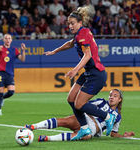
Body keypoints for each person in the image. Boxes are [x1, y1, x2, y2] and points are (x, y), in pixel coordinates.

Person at [43, 6, 116, 141]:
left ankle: (107, 116)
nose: (70, 26)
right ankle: (84, 128)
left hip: (96, 74)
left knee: (79, 104)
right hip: (89, 73)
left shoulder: (82, 34)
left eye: (72, 23)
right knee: (71, 99)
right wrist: (55, 51)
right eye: (69, 24)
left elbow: (87, 55)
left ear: (80, 23)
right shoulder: (80, 33)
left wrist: (75, 70)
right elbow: (70, 43)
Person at [25, 89, 135, 142]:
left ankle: (48, 138)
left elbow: (113, 134)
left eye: (115, 96)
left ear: (119, 100)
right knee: (66, 121)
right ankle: (33, 126)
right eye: (110, 95)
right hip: (85, 119)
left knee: (85, 136)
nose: (111, 97)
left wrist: (124, 136)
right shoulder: (101, 102)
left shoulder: (118, 117)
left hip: (93, 131)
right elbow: (84, 106)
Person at [0, 34, 26, 115]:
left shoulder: (14, 49)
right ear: (3, 40)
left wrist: (23, 51)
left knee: (11, 92)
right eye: (6, 38)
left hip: (9, 73)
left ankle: (2, 99)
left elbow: (22, 59)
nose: (7, 40)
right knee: (0, 91)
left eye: (9, 38)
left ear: (11, 40)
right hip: (0, 72)